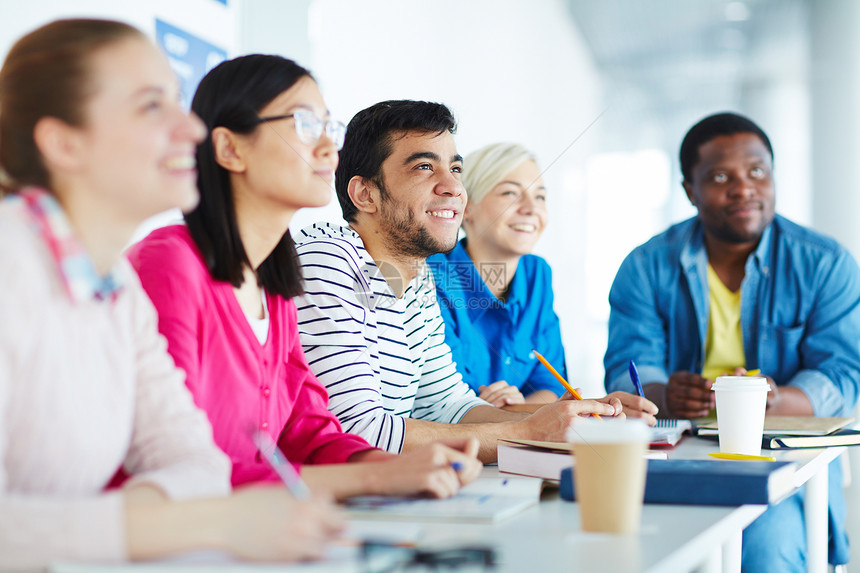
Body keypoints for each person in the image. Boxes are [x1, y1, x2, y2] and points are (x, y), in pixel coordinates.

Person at [0, 19, 343, 569]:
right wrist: (202, 521)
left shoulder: (117, 288)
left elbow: (193, 459)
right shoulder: (11, 264)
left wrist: (152, 521)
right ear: (63, 142)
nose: (192, 129)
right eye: (151, 106)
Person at [128, 55, 481, 501]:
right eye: (304, 124)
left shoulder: (273, 285)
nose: (328, 150)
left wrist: (394, 466)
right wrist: (373, 478)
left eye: (328, 130)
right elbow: (178, 470)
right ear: (231, 149)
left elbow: (309, 431)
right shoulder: (172, 264)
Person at [294, 100, 638, 463]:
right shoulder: (330, 260)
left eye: (455, 168)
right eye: (424, 167)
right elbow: (356, 431)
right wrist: (526, 432)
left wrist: (565, 418)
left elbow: (448, 405)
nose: (453, 187)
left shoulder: (415, 279)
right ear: (365, 194)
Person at [604, 112, 860, 571]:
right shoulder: (645, 267)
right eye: (721, 176)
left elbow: (844, 374)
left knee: (767, 550)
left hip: (781, 456)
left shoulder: (824, 263)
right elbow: (629, 369)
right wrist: (664, 395)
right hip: (679, 455)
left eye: (757, 172)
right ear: (689, 190)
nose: (744, 188)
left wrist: (780, 398)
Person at [428, 142, 658, 417]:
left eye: (540, 197)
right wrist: (525, 410)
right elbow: (450, 404)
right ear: (466, 208)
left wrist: (519, 407)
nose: (531, 208)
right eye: (511, 193)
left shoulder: (536, 274)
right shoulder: (433, 275)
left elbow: (551, 385)